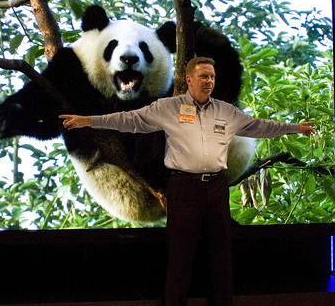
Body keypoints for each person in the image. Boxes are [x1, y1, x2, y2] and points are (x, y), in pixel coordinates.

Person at [60, 56, 315, 306]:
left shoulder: (225, 110)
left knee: (221, 257)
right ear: (188, 80)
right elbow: (129, 120)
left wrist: (294, 127)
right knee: (180, 259)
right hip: (182, 186)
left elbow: (258, 126)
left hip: (216, 185)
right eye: (204, 76)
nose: (209, 81)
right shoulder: (168, 107)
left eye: (212, 77)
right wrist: (87, 120)